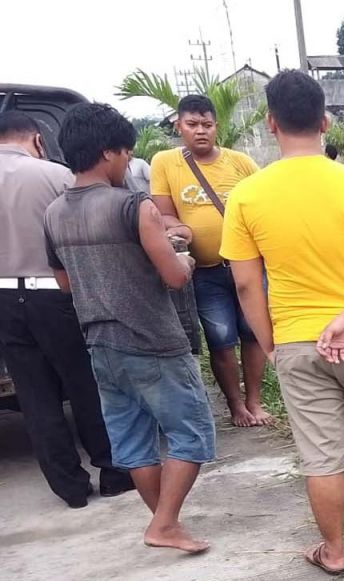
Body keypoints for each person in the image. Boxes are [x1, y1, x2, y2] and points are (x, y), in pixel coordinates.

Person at [222, 70, 344, 576]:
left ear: (271, 123)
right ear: (325, 121)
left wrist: (272, 346)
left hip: (296, 341)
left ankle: (334, 552)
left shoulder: (247, 197)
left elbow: (247, 286)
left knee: (321, 454)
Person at [44, 103, 215, 552]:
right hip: (153, 340)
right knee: (192, 431)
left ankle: (165, 523)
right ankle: (165, 524)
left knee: (135, 440)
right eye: (124, 153)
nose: (127, 163)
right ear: (108, 153)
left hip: (100, 344)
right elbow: (174, 276)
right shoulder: (133, 206)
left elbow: (64, 283)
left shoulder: (54, 213)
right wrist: (185, 257)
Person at [0, 111, 133, 508]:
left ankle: (69, 488)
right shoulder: (53, 176)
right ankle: (112, 471)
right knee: (85, 383)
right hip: (55, 294)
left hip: (4, 299)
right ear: (37, 139)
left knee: (34, 394)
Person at [150, 94, 269, 428]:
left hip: (247, 264)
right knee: (220, 338)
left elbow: (263, 205)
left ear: (216, 126)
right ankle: (235, 406)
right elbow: (163, 212)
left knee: (254, 332)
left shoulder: (240, 163)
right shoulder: (165, 162)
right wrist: (179, 227)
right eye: (192, 124)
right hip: (204, 270)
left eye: (207, 124)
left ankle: (255, 400)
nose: (200, 131)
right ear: (179, 126)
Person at [124, 153, 203, 357]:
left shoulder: (61, 210)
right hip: (159, 329)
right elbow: (177, 277)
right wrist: (184, 260)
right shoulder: (137, 204)